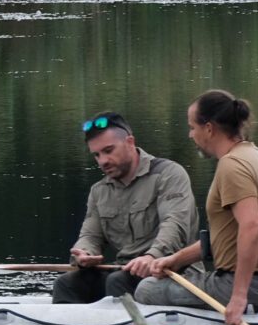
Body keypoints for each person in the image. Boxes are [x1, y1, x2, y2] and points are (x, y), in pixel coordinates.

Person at [125, 89, 258, 325]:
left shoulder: (232, 165)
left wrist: (239, 298)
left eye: (192, 127)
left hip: (256, 288)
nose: (190, 135)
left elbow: (251, 227)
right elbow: (227, 237)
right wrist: (176, 259)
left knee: (147, 289)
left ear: (209, 128)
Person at [51, 112, 197, 303]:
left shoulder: (169, 175)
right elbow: (91, 235)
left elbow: (175, 225)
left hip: (173, 271)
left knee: (118, 282)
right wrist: (84, 253)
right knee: (66, 283)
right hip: (122, 271)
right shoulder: (99, 191)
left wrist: (152, 255)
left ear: (129, 142)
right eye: (97, 155)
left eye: (109, 150)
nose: (102, 161)